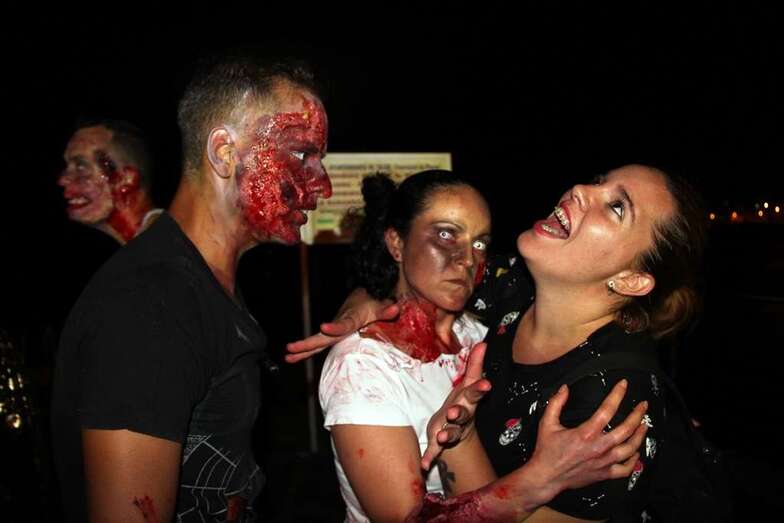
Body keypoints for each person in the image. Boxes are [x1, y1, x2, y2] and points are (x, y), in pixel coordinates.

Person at [290, 164, 707, 521]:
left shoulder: (612, 396)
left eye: (617, 207)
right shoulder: (512, 291)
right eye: (598, 181)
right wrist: (365, 303)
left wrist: (530, 476)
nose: (581, 189)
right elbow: (416, 276)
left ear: (631, 280)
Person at [51, 54, 332, 522]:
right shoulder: (149, 306)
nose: (321, 184)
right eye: (303, 155)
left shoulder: (199, 282)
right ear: (223, 152)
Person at [58, 119, 160, 244]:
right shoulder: (152, 245)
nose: (62, 180)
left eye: (81, 167)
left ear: (126, 179)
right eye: (67, 167)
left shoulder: (166, 244)